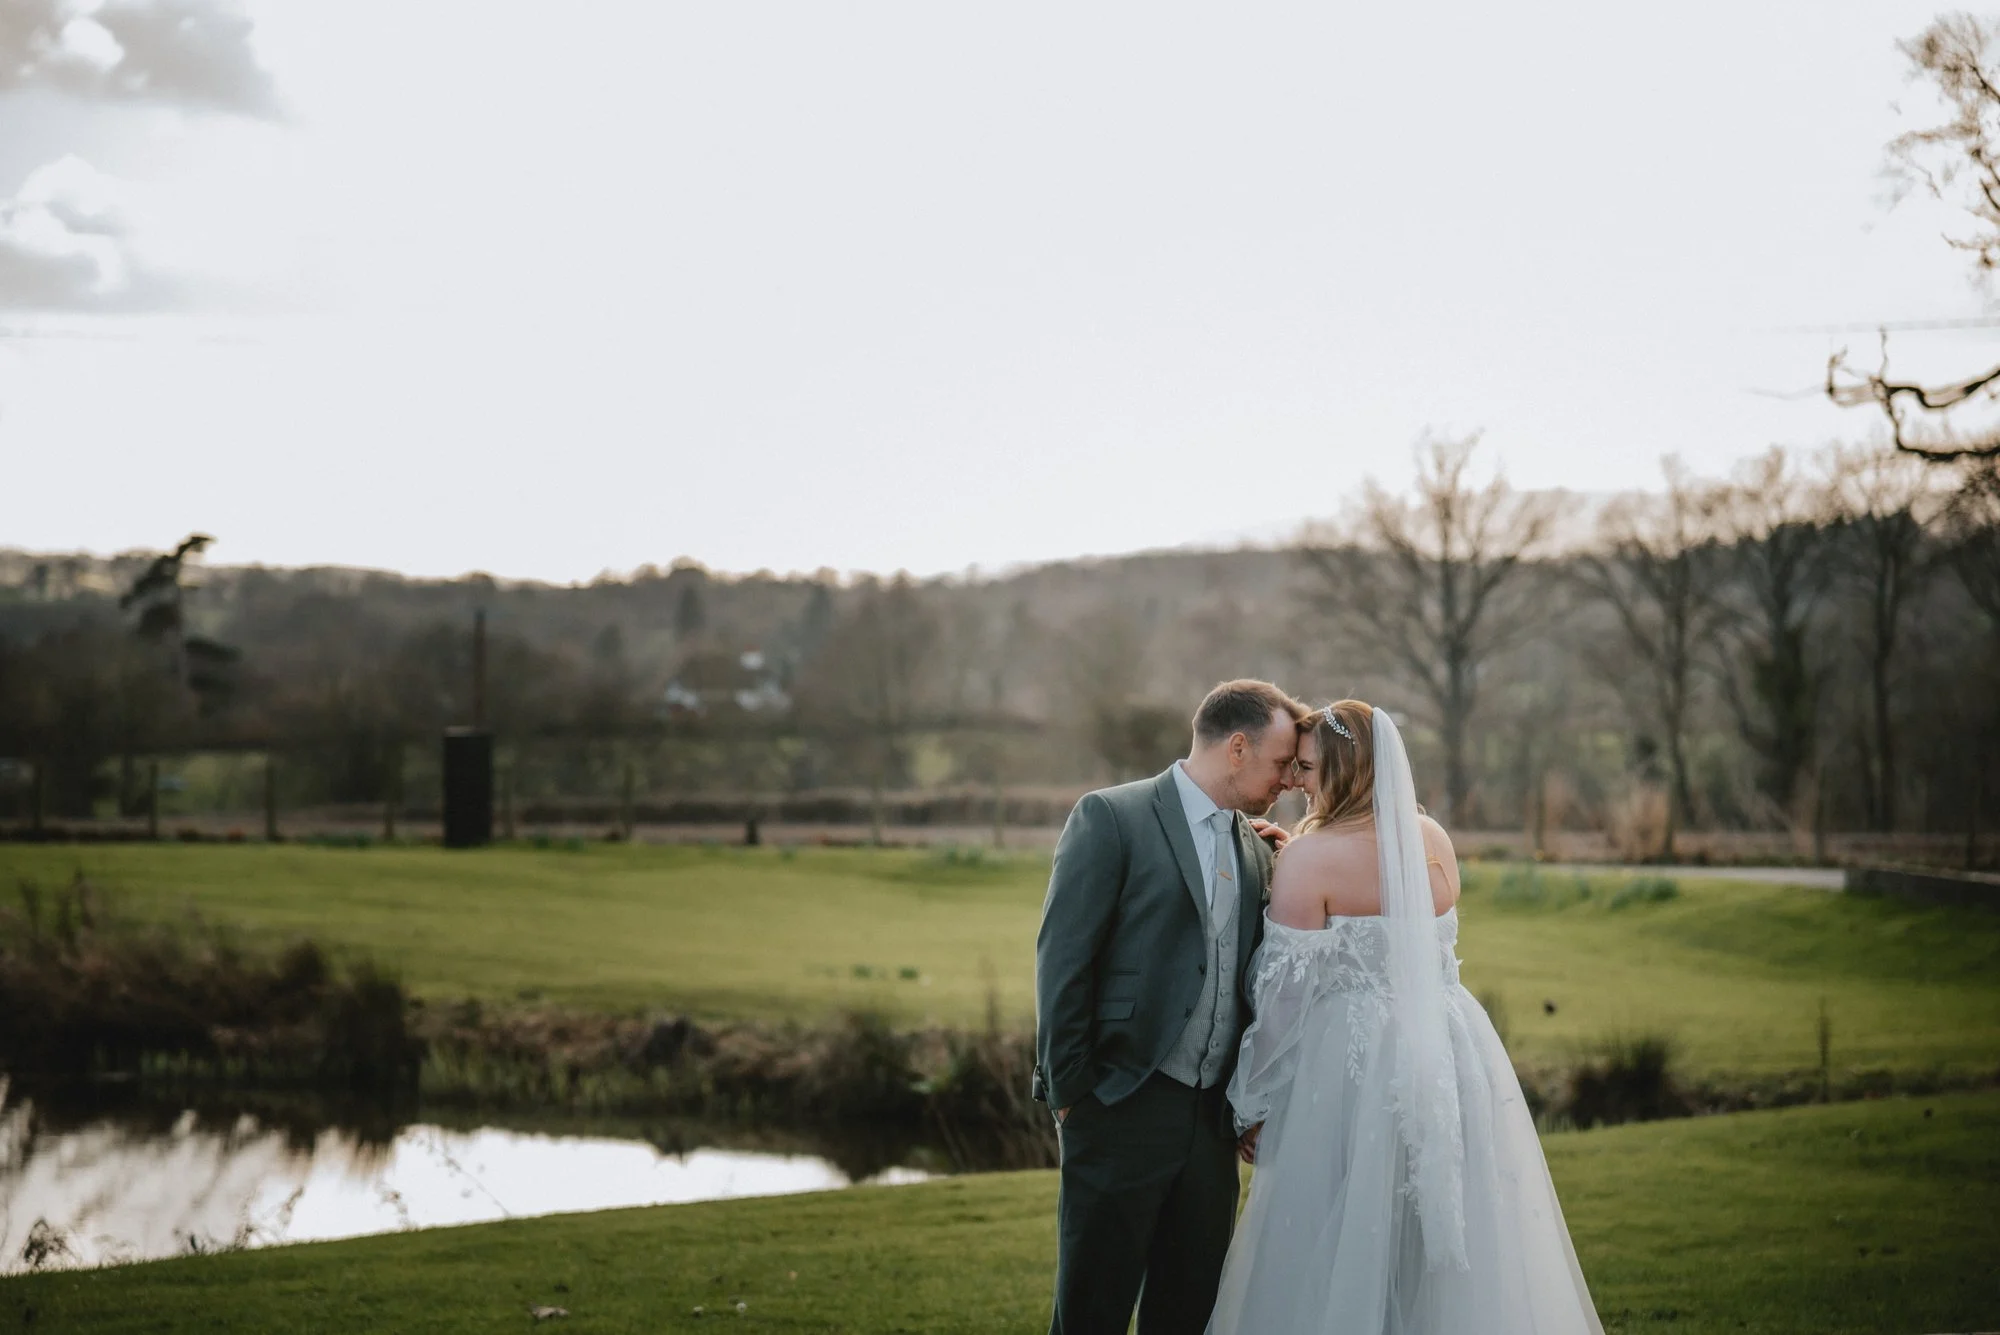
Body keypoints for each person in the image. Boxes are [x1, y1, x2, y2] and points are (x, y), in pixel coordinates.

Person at [1206, 699, 1604, 1335]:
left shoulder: (1311, 861)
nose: (1296, 783)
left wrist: (1251, 1099)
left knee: (1337, 1235)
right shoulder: (1431, 839)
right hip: (1447, 1050)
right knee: (1430, 1235)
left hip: (1351, 1069)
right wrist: (1301, 854)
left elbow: (1284, 998)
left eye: (1307, 769)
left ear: (1346, 770)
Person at [1033, 679, 1309, 1335]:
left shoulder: (1258, 844)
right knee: (1091, 1312)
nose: (1288, 783)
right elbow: (1063, 961)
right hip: (1118, 1105)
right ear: (1237, 748)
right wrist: (1073, 1094)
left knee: (1190, 1313)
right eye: (1279, 765)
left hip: (1210, 1122)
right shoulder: (1111, 816)